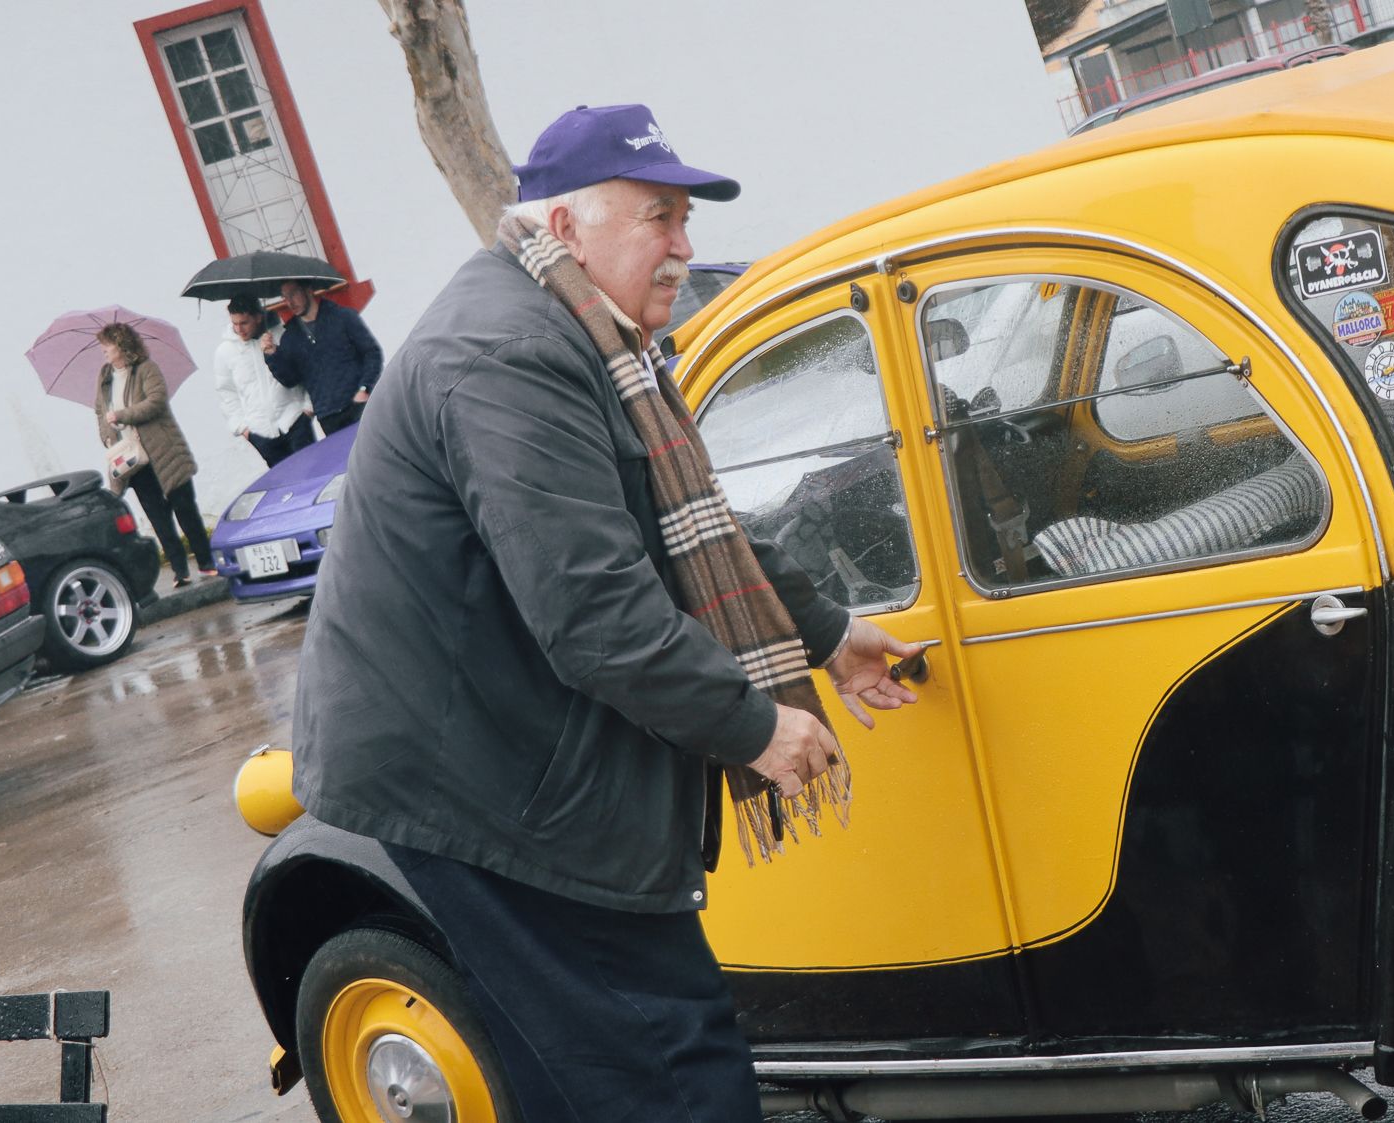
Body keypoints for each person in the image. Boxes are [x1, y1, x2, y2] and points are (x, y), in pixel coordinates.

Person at [288, 103, 923, 1121]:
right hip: (480, 782)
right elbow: (592, 610)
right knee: (667, 1058)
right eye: (657, 216)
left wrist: (832, 634)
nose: (682, 246)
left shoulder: (579, 331)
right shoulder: (507, 353)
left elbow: (685, 527)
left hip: (502, 748)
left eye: (685, 219)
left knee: (573, 1071)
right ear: (565, 226)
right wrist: (752, 725)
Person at [93, 323, 216, 588]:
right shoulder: (104, 378)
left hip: (164, 451)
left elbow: (157, 401)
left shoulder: (146, 369)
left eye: (107, 344)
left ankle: (207, 562)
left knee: (185, 508)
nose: (103, 350)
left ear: (122, 344)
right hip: (133, 459)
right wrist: (106, 435)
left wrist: (123, 415)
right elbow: (100, 412)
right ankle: (180, 570)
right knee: (158, 517)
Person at [262, 280, 382, 434]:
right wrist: (272, 355)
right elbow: (290, 379)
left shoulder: (343, 317)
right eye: (285, 297)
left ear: (309, 290)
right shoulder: (290, 337)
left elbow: (372, 353)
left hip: (359, 404)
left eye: (293, 294)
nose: (290, 302)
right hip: (328, 415)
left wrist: (365, 388)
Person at [211, 295, 316, 467]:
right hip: (261, 431)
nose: (239, 329)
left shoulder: (282, 335)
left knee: (313, 473)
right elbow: (226, 392)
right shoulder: (225, 352)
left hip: (295, 421)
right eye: (234, 323)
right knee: (284, 487)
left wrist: (308, 408)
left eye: (244, 323)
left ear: (258, 317)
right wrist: (242, 427)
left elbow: (306, 371)